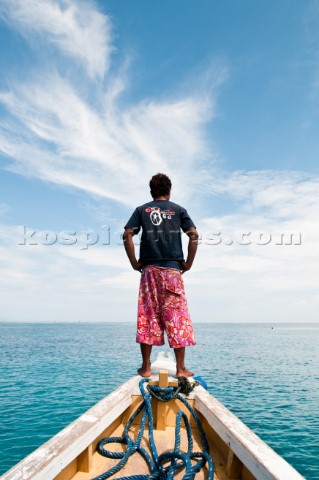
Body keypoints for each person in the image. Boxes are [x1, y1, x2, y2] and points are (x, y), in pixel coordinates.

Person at [123, 173, 199, 378]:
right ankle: (181, 369)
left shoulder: (141, 210)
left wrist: (133, 262)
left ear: (151, 191)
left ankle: (146, 368)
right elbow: (193, 235)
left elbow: (127, 234)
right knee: (177, 316)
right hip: (172, 271)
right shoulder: (179, 210)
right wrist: (188, 263)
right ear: (169, 190)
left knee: (148, 316)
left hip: (149, 271)